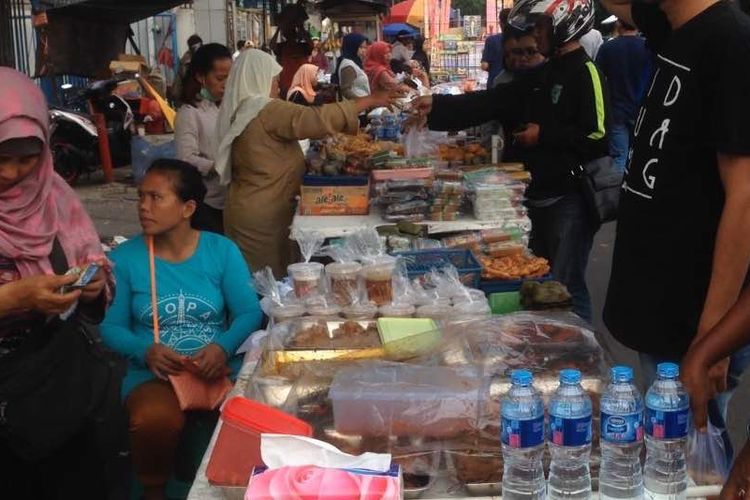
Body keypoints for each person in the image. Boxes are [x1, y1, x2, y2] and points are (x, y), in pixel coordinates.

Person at [601, 0, 750, 459]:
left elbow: (745, 198)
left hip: (693, 326)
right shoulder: (674, 25)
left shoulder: (731, 41)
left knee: (694, 465)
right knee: (670, 460)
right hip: (660, 315)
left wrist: (712, 340)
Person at [413, 0, 607, 322]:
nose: (536, 35)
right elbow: (495, 101)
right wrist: (437, 106)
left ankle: (581, 352)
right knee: (540, 280)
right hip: (533, 195)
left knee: (566, 284)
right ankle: (550, 344)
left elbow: (598, 135)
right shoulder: (546, 71)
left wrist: (543, 134)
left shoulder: (587, 72)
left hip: (568, 199)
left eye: (542, 27)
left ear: (564, 25)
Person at [101, 160, 263, 500]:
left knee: (257, 421)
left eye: (156, 198)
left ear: (188, 207)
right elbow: (111, 327)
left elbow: (248, 312)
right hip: (154, 374)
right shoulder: (126, 258)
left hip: (218, 368)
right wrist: (145, 351)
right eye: (141, 197)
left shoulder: (221, 251)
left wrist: (222, 347)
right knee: (153, 420)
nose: (144, 207)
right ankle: (154, 489)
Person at [0, 68, 112, 498]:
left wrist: (94, 285)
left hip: (52, 383)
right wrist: (15, 296)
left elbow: (90, 259)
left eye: (27, 157)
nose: (13, 173)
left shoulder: (55, 194)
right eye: (1, 158)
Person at [215, 49, 395, 277]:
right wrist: (369, 100)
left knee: (261, 278)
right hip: (263, 215)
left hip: (250, 207)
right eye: (274, 80)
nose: (277, 87)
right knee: (266, 282)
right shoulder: (264, 109)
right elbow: (314, 119)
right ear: (259, 77)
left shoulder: (244, 110)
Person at [175, 43, 232, 234]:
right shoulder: (189, 112)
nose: (226, 84)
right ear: (201, 77)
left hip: (231, 199)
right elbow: (186, 158)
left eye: (230, 78)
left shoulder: (225, 107)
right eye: (220, 78)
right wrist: (216, 166)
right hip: (208, 202)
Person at [595, 19, 652, 171]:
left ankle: (616, 192)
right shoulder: (648, 47)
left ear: (618, 25)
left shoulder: (607, 48)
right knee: (641, 155)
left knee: (619, 157)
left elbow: (599, 79)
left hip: (616, 110)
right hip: (642, 111)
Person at [270, 0, 313, 97]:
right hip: (286, 88)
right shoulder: (282, 47)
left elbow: (311, 44)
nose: (289, 34)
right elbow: (272, 45)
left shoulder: (303, 47)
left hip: (302, 87)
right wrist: (279, 28)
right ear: (285, 35)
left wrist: (301, 27)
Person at [333, 33, 370, 100]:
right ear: (352, 46)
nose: (364, 50)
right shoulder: (348, 65)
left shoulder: (356, 62)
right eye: (361, 47)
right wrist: (360, 102)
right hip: (356, 107)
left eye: (365, 47)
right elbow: (345, 90)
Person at [481, 8, 513, 87]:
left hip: (494, 84)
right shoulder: (520, 40)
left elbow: (484, 66)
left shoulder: (491, 40)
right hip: (514, 84)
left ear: (500, 23)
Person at [172, 34, 203, 105]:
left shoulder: (204, 57)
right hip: (188, 99)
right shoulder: (186, 62)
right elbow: (181, 81)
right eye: (194, 48)